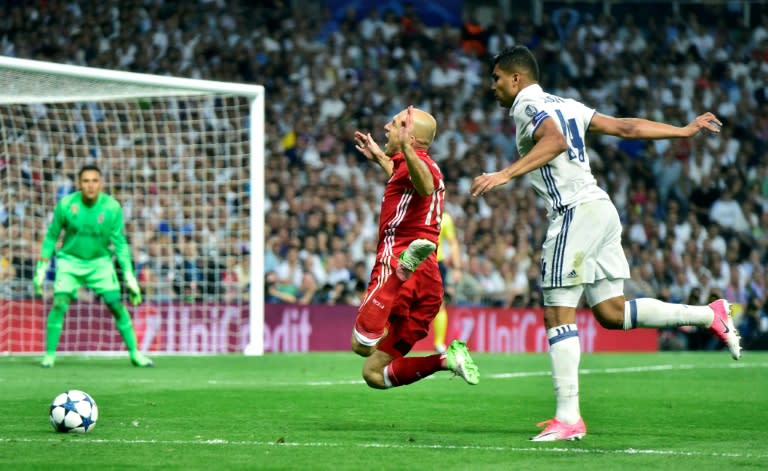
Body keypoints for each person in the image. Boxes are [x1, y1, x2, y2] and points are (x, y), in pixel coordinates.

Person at [471, 45, 740, 441]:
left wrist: (505, 174)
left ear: (516, 78)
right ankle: (709, 315)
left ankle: (568, 418)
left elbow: (554, 142)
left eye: (496, 79)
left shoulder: (526, 104)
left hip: (575, 212)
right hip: (601, 208)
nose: (491, 86)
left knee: (557, 313)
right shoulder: (567, 103)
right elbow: (626, 128)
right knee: (611, 313)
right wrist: (681, 130)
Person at [350, 105, 479, 389]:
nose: (386, 127)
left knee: (362, 344)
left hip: (399, 259)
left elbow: (425, 186)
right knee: (373, 374)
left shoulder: (418, 165)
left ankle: (399, 277)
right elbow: (409, 176)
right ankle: (446, 359)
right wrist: (381, 158)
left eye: (395, 124)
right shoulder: (417, 165)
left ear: (411, 139)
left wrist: (405, 151)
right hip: (429, 279)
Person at [33, 165, 153, 368]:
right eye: (86, 181)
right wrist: (41, 267)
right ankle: (49, 355)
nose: (90, 185)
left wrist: (130, 277)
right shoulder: (66, 204)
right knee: (59, 303)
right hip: (70, 262)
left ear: (101, 183)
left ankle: (135, 354)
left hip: (100, 263)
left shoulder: (112, 208)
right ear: (79, 184)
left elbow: (121, 244)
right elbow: (52, 236)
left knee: (115, 304)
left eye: (94, 180)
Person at [433, 209, 462, 353]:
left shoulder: (445, 218)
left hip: (437, 264)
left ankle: (439, 343)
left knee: (440, 304)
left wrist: (457, 267)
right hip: (416, 262)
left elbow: (453, 243)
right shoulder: (416, 212)